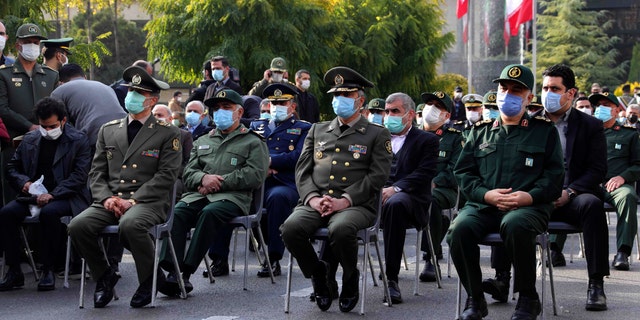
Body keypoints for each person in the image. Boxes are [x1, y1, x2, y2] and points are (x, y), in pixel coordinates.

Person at [447, 64, 564, 320]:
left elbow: (555, 178)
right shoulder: (480, 132)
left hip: (527, 207)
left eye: (516, 90)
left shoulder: (544, 132)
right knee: (458, 230)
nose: (508, 94)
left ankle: (527, 297)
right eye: (504, 88)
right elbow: (464, 173)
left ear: (529, 98)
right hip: (483, 205)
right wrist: (486, 195)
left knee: (515, 225)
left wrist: (529, 196)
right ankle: (475, 298)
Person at [68, 66, 182, 308]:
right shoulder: (108, 130)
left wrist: (134, 201)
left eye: (139, 92)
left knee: (130, 225)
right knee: (78, 226)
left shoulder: (167, 133)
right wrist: (106, 198)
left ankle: (149, 281)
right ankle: (104, 276)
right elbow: (96, 172)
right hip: (110, 199)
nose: (132, 96)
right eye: (131, 90)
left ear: (152, 100)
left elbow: (167, 175)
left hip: (147, 201)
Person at [280, 66, 392, 313]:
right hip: (315, 201)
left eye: (346, 95)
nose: (338, 100)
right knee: (290, 229)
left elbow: (378, 176)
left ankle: (350, 278)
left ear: (360, 100)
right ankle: (319, 274)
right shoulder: (317, 129)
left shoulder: (377, 133)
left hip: (357, 205)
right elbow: (302, 170)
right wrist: (311, 198)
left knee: (341, 229)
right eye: (335, 95)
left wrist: (346, 200)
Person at [157, 89, 268, 296]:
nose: (220, 112)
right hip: (199, 194)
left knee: (210, 213)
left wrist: (219, 182)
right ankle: (172, 271)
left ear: (240, 111)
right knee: (179, 212)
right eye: (216, 109)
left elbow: (255, 175)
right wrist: (202, 179)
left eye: (227, 108)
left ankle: (186, 271)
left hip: (233, 198)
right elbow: (187, 173)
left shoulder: (253, 141)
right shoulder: (202, 140)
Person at [0, 97, 91, 292]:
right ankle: (14, 271)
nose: (47, 131)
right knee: (7, 213)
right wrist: (24, 182)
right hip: (33, 195)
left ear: (63, 121)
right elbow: (12, 168)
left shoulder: (79, 140)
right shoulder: (31, 139)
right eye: (43, 127)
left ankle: (48, 269)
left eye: (52, 127)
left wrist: (53, 194)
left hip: (67, 197)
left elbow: (79, 176)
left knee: (50, 213)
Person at [542, 64, 609, 311]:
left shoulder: (590, 126)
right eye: (545, 88)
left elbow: (597, 170)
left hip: (573, 196)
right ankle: (502, 278)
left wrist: (569, 192)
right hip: (537, 198)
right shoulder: (531, 123)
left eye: (555, 88)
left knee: (592, 205)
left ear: (570, 93)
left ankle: (596, 285)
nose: (548, 93)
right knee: (507, 203)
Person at [246, 83, 312, 277]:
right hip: (258, 181)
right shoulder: (257, 126)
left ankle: (273, 258)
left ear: (292, 106)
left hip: (286, 183)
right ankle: (219, 258)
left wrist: (269, 161)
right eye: (274, 102)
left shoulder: (303, 128)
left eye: (282, 102)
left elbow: (299, 156)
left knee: (276, 199)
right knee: (231, 199)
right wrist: (261, 167)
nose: (277, 106)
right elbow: (247, 152)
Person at [380, 92, 438, 304]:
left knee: (395, 204)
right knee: (340, 204)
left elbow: (425, 172)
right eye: (387, 112)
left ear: (410, 114)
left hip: (411, 200)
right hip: (376, 196)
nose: (389, 116)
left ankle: (391, 279)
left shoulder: (427, 140)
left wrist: (395, 189)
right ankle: (327, 278)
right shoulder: (378, 137)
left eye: (395, 111)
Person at [0, 23, 58, 206]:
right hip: (14, 145)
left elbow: (57, 107)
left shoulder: (50, 75)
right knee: (12, 200)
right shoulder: (4, 74)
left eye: (36, 42)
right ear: (18, 45)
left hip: (45, 144)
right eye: (27, 42)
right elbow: (2, 108)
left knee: (44, 197)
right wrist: (30, 127)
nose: (32, 46)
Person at [591, 92, 639, 271]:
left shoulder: (629, 135)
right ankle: (555, 249)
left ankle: (623, 252)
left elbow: (638, 165)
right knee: (568, 193)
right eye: (599, 105)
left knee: (628, 196)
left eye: (606, 104)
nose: (601, 108)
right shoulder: (587, 132)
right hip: (590, 185)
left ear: (617, 110)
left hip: (616, 185)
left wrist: (623, 177)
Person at [417, 91, 461, 284]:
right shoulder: (411, 134)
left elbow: (456, 171)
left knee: (431, 200)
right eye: (429, 103)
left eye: (439, 106)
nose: (432, 108)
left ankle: (430, 258)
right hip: (411, 187)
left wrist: (434, 181)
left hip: (443, 190)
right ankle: (390, 269)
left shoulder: (454, 138)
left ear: (447, 115)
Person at [50, 63, 127, 149]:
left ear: (60, 82)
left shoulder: (59, 90)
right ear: (85, 77)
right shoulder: (105, 86)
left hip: (95, 136)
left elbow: (59, 126)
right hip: (125, 131)